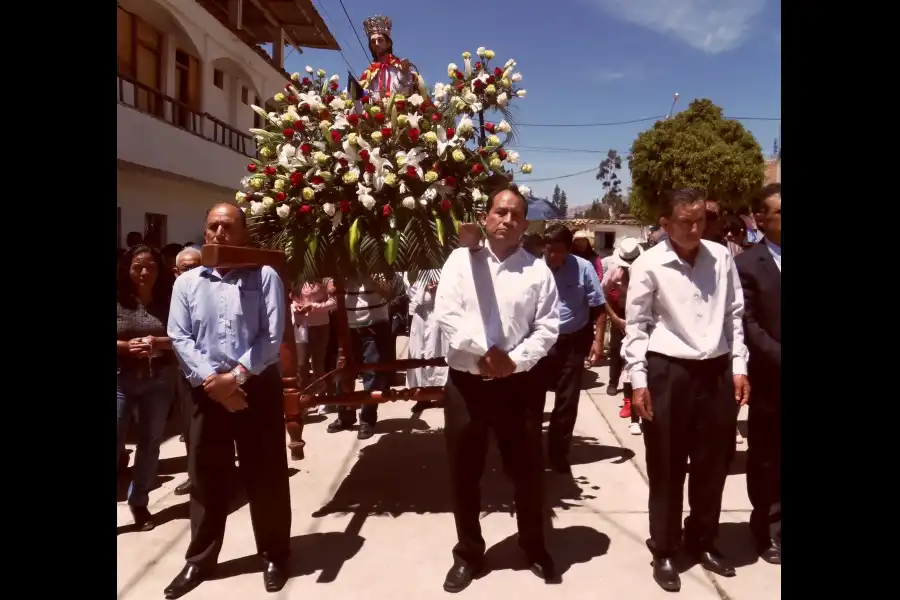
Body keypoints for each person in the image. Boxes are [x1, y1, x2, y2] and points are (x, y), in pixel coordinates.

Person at [622, 188, 750, 592]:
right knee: (666, 466)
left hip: (715, 373)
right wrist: (639, 380)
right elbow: (636, 327)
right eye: (685, 222)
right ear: (665, 223)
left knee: (714, 465)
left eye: (700, 220)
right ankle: (664, 548)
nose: (694, 229)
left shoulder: (721, 256)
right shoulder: (648, 264)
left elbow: (734, 315)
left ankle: (703, 539)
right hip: (667, 372)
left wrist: (738, 366)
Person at [434, 184, 560, 592]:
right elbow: (447, 314)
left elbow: (547, 328)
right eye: (500, 212)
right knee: (463, 474)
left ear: (525, 224)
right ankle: (469, 553)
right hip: (466, 386)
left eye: (516, 215)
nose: (507, 220)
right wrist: (485, 353)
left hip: (519, 387)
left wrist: (514, 362)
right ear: (486, 217)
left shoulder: (537, 270)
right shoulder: (459, 261)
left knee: (526, 473)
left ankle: (534, 546)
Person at [164, 203, 291, 598]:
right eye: (212, 226)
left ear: (243, 234)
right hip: (204, 392)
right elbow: (179, 337)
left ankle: (274, 554)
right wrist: (212, 383)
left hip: (255, 387)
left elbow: (271, 337)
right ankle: (200, 559)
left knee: (265, 474)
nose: (218, 233)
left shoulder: (264, 276)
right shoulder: (187, 282)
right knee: (206, 476)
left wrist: (234, 379)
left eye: (227, 226)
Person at [735, 183, 781, 565]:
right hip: (771, 379)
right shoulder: (748, 263)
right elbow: (748, 322)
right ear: (762, 220)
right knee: (767, 457)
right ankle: (764, 527)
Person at [117, 245, 177, 531]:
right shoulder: (118, 299)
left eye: (150, 266)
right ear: (126, 269)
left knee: (150, 441)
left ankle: (139, 502)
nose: (144, 272)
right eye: (137, 266)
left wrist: (157, 343)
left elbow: (182, 336)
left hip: (159, 379)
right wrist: (125, 347)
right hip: (121, 378)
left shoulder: (169, 300)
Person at [539, 224, 607, 474]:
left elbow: (598, 307)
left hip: (572, 343)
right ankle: (531, 453)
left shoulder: (584, 268)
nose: (552, 256)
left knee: (567, 402)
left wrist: (598, 342)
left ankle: (558, 454)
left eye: (557, 251)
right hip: (540, 344)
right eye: (548, 250)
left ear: (568, 249)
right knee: (533, 399)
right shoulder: (536, 268)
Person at [325, 273, 396, 440]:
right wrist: (330, 283)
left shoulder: (377, 266)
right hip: (347, 327)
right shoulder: (342, 264)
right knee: (342, 372)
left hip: (373, 327)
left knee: (372, 373)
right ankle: (345, 416)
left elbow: (391, 292)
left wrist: (374, 279)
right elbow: (328, 285)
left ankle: (367, 419)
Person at [171, 246, 202, 497]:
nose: (191, 272)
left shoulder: (208, 290)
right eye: (186, 268)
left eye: (196, 266)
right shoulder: (169, 293)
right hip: (180, 372)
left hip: (209, 370)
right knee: (190, 429)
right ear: (175, 271)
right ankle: (195, 476)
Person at [601, 237, 643, 401]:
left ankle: (634, 385)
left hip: (640, 316)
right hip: (619, 314)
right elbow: (600, 295)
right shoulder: (613, 271)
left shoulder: (646, 270)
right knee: (616, 349)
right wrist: (614, 317)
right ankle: (613, 382)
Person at [290, 278, 336, 414]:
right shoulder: (297, 276)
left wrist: (314, 307)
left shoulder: (324, 279)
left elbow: (334, 303)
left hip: (320, 325)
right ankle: (302, 400)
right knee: (301, 364)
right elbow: (291, 300)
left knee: (318, 364)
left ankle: (322, 398)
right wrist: (295, 306)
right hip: (300, 325)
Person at [406, 269, 449, 413]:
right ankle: (422, 396)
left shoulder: (440, 267)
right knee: (419, 352)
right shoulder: (412, 270)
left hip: (438, 312)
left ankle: (442, 393)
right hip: (421, 315)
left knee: (439, 351)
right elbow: (410, 291)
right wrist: (423, 288)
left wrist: (439, 288)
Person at [360, 15, 424, 101]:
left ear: (388, 43)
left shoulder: (400, 66)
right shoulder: (369, 72)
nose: (376, 44)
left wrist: (403, 75)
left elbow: (407, 94)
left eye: (380, 40)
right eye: (373, 41)